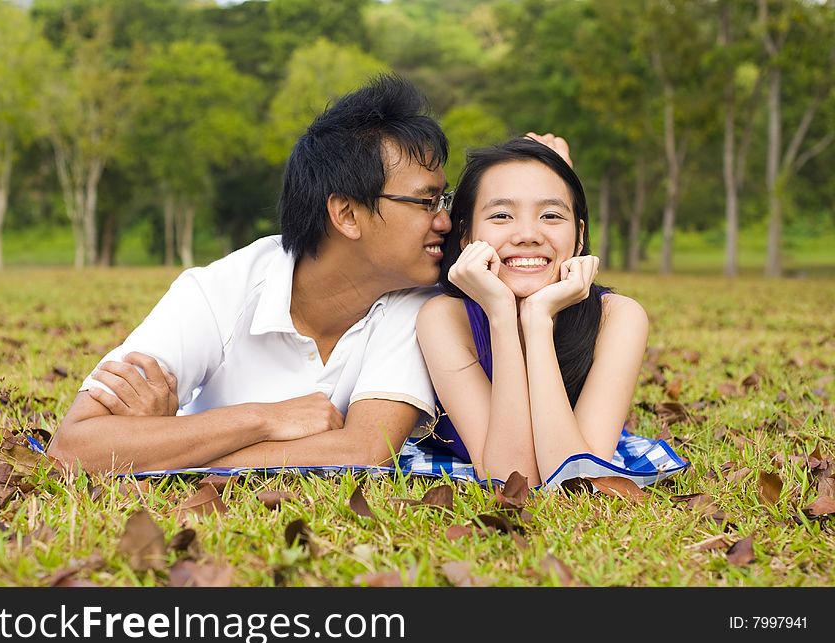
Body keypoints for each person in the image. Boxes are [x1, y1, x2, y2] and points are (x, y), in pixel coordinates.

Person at [47, 73, 571, 475]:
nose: (445, 220)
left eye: (445, 198)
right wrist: (264, 418)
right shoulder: (217, 292)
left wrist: (162, 444)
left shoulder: (417, 303)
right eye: (426, 201)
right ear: (346, 214)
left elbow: (364, 450)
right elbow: (73, 447)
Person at [415, 137, 649, 489]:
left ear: (580, 235)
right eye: (501, 215)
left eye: (551, 215)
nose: (527, 234)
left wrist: (538, 321)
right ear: (465, 236)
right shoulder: (446, 319)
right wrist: (501, 314)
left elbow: (578, 479)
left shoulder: (616, 318)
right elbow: (512, 476)